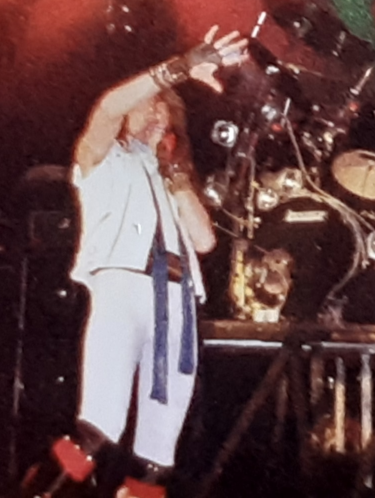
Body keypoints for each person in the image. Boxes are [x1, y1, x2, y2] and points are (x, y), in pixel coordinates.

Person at [20, 27, 247, 498]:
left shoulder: (170, 175)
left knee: (157, 456)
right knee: (98, 430)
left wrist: (177, 174)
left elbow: (204, 240)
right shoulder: (102, 159)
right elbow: (108, 107)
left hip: (178, 302)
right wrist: (180, 67)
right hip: (123, 288)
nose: (156, 111)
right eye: (147, 103)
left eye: (165, 106)